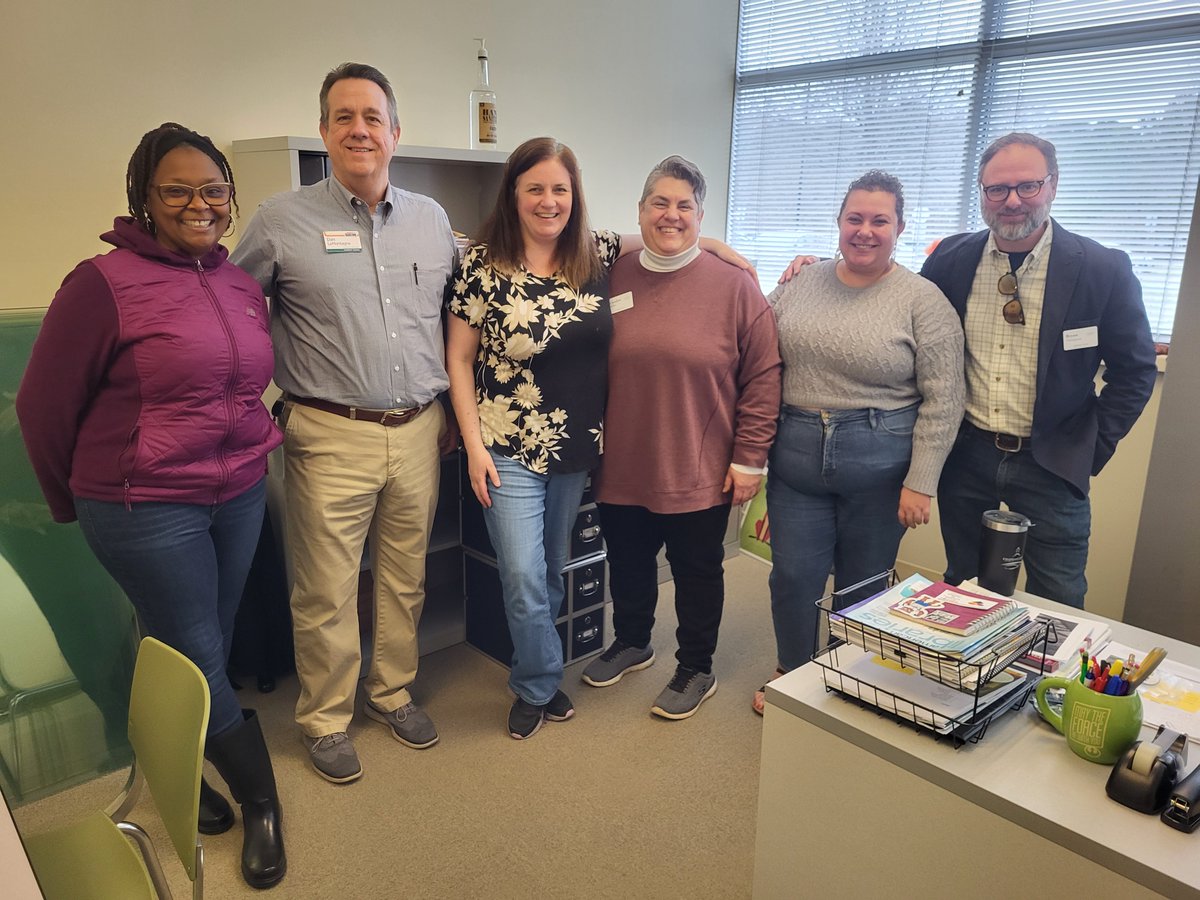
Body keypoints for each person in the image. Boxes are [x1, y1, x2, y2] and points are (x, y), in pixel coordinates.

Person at [16, 123, 286, 888]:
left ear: (231, 199)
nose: (198, 204)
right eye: (177, 190)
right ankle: (262, 800)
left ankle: (179, 763)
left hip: (235, 492)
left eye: (213, 189)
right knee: (197, 650)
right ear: (145, 198)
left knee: (197, 646)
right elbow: (40, 407)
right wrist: (76, 504)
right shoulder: (101, 284)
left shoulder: (238, 286)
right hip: (144, 504)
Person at [448, 141, 749, 738]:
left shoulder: (596, 252)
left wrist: (715, 246)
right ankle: (535, 685)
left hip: (575, 448)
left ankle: (543, 674)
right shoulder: (481, 264)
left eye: (560, 189)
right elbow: (457, 359)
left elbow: (664, 238)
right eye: (535, 188)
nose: (548, 201)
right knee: (522, 574)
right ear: (514, 193)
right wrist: (474, 445)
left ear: (574, 196)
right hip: (505, 445)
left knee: (552, 570)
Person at [231, 63, 453, 782]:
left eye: (372, 117)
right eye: (343, 117)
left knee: (403, 578)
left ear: (395, 131)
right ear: (325, 131)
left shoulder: (431, 219)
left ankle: (391, 693)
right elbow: (230, 310)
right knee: (326, 585)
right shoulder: (280, 221)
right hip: (328, 430)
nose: (360, 129)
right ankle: (326, 719)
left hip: (419, 428)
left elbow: (467, 299)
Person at [755, 170, 965, 715]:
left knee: (863, 585)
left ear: (900, 227)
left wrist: (922, 482)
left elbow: (945, 399)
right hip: (797, 459)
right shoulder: (799, 283)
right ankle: (793, 670)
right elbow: (753, 346)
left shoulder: (924, 300)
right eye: (855, 218)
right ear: (839, 222)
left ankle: (846, 674)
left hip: (882, 466)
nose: (865, 231)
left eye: (880, 220)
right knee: (794, 576)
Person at [583, 155, 782, 720]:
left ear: (701, 216)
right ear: (640, 211)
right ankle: (634, 640)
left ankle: (696, 664)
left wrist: (751, 459)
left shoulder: (735, 285)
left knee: (697, 570)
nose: (671, 216)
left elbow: (764, 376)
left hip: (700, 464)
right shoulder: (609, 274)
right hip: (621, 460)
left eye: (684, 206)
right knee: (627, 561)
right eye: (659, 203)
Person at [920, 133, 1157, 608]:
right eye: (997, 189)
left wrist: (1092, 445)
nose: (1012, 201)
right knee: (963, 588)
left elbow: (1135, 371)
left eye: (1027, 186)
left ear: (1053, 185)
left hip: (1054, 461)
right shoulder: (948, 260)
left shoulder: (1101, 268)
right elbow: (898, 313)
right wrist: (823, 265)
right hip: (967, 454)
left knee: (1059, 598)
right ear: (982, 193)